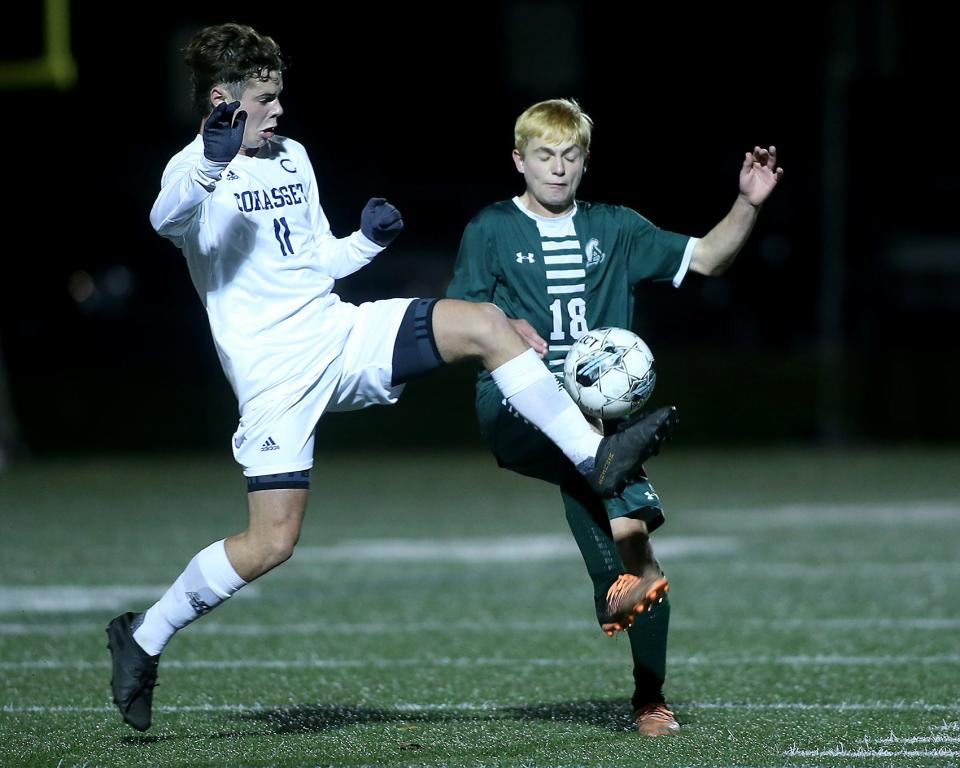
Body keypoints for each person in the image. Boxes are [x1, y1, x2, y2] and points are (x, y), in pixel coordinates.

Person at [105, 26, 679, 733]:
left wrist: (363, 244)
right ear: (224, 100)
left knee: (483, 324)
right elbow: (165, 220)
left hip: (338, 333)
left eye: (279, 96)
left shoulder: (292, 156)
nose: (279, 110)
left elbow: (318, 261)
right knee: (271, 544)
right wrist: (209, 165)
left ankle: (598, 457)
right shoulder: (192, 166)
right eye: (265, 98)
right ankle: (142, 638)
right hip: (274, 375)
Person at [446, 98, 783, 736]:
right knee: (599, 462)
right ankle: (622, 581)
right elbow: (456, 317)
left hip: (598, 424)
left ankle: (647, 690)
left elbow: (708, 258)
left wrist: (749, 202)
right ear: (519, 161)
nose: (558, 169)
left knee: (634, 541)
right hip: (514, 403)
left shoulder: (617, 228)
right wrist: (506, 325)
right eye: (544, 156)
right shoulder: (490, 227)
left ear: (585, 162)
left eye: (570, 157)